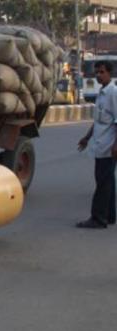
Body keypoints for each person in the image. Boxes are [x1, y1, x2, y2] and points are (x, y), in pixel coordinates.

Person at [76, 60, 117, 229]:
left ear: (109, 73)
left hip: (108, 146)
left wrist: (116, 145)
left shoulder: (113, 93)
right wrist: (86, 137)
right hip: (100, 144)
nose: (98, 76)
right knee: (108, 181)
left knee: (102, 182)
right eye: (97, 73)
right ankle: (109, 215)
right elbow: (99, 121)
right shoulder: (101, 94)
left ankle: (98, 218)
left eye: (101, 72)